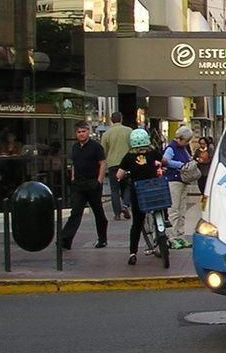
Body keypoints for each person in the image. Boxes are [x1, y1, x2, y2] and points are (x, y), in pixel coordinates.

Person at [116, 128, 164, 265]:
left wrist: (125, 175)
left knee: (137, 223)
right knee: (160, 207)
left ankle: (133, 253)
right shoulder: (152, 152)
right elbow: (164, 160)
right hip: (153, 188)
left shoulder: (128, 156)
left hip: (138, 192)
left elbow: (119, 175)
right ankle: (163, 224)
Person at [60, 121, 108, 250]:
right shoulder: (75, 147)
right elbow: (75, 164)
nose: (81, 134)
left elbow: (103, 163)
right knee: (75, 211)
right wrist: (73, 178)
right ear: (76, 134)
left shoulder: (96, 147)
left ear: (88, 132)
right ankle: (65, 240)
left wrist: (99, 181)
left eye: (83, 131)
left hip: (93, 183)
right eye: (79, 132)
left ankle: (102, 239)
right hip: (78, 185)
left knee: (98, 213)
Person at [162, 126, 194, 249]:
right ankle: (172, 237)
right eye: (187, 140)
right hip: (173, 181)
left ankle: (181, 235)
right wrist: (180, 165)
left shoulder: (183, 148)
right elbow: (164, 160)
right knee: (174, 210)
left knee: (181, 210)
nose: (187, 143)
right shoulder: (171, 148)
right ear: (180, 138)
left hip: (182, 181)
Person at [100, 111, 132, 221]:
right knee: (127, 186)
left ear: (111, 120)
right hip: (127, 164)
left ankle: (117, 214)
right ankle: (125, 205)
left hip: (113, 164)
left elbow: (103, 151)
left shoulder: (106, 134)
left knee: (114, 190)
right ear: (121, 119)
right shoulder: (129, 131)